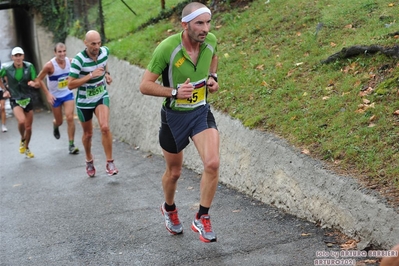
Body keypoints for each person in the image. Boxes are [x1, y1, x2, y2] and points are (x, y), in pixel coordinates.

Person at [139, 2, 220, 243]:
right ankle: (169, 208)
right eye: (199, 23)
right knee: (174, 172)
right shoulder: (167, 49)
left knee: (213, 163)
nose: (205, 28)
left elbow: (213, 58)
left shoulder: (211, 40)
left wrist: (213, 78)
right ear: (185, 25)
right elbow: (144, 85)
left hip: (200, 112)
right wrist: (174, 92)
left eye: (207, 22)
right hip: (174, 118)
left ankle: (202, 217)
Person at [68, 30, 118, 177]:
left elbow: (105, 62)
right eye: (93, 44)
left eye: (99, 43)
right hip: (84, 102)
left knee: (105, 127)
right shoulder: (78, 60)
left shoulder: (104, 52)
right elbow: (70, 84)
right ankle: (89, 159)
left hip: (101, 95)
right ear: (86, 43)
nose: (97, 47)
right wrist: (90, 75)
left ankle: (110, 161)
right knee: (88, 134)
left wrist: (107, 74)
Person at [0, 47, 53, 158]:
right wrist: (5, 89)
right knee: (22, 121)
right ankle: (22, 139)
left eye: (20, 55)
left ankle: (26, 146)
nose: (18, 58)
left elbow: (37, 82)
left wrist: (34, 84)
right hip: (15, 98)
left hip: (28, 98)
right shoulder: (7, 68)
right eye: (16, 56)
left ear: (23, 56)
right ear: (12, 57)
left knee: (28, 128)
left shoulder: (29, 67)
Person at [35, 42, 79, 154]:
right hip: (55, 96)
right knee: (59, 121)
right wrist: (48, 94)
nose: (62, 54)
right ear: (55, 53)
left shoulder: (70, 62)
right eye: (59, 52)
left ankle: (71, 145)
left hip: (67, 93)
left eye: (64, 51)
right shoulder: (49, 66)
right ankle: (55, 125)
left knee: (69, 117)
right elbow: (38, 79)